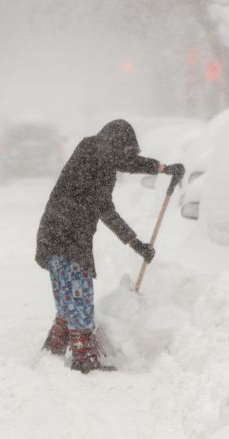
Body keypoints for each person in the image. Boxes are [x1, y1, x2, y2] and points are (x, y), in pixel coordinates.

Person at [34, 118, 184, 373]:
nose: (125, 157)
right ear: (115, 143)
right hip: (66, 236)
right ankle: (83, 358)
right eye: (125, 150)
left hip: (58, 235)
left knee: (68, 295)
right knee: (80, 295)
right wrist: (160, 168)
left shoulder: (98, 163)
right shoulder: (92, 149)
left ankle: (55, 345)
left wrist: (162, 169)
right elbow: (119, 174)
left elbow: (106, 206)